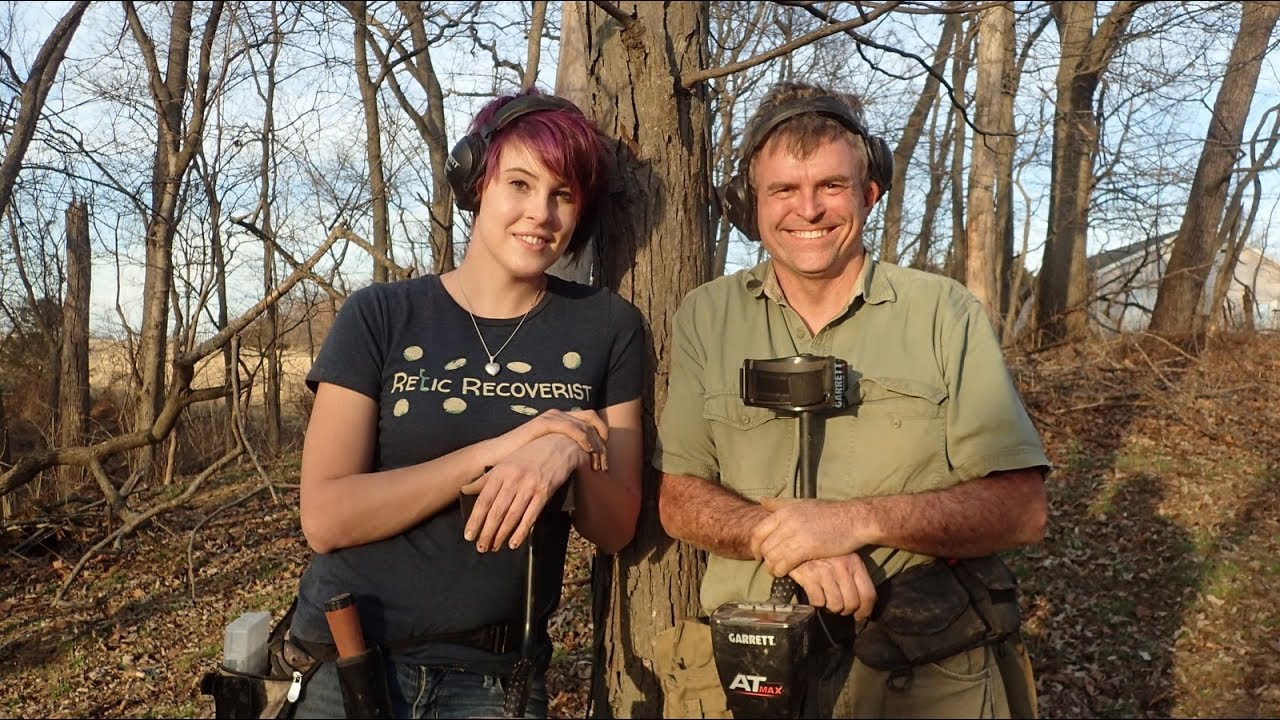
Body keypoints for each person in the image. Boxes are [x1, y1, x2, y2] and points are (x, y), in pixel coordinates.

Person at [654, 81, 1050, 719]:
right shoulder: (708, 315)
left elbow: (1020, 509)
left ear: (869, 192)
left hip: (920, 671)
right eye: (783, 189)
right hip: (747, 673)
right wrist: (779, 537)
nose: (808, 210)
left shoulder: (942, 312)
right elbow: (678, 498)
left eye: (831, 186)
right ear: (748, 203)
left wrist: (852, 522)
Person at [285, 88, 644, 719]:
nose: (541, 213)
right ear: (475, 181)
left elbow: (615, 528)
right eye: (521, 184)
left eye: (563, 194)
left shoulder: (608, 326)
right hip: (344, 669)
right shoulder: (381, 315)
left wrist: (567, 447)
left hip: (494, 682)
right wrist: (501, 448)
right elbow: (326, 515)